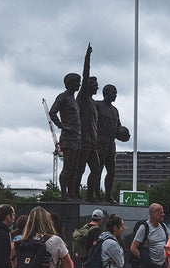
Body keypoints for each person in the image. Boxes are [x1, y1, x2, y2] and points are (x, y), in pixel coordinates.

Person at [49, 72, 81, 202]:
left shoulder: (73, 99)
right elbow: (52, 112)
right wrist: (61, 125)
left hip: (77, 137)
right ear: (70, 83)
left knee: (74, 168)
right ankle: (64, 195)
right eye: (77, 82)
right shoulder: (63, 97)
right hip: (68, 138)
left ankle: (72, 194)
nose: (79, 84)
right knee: (67, 168)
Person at [75, 43, 100, 202]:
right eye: (95, 85)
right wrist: (87, 57)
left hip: (93, 142)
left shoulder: (93, 102)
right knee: (79, 169)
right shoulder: (83, 98)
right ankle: (75, 195)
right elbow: (85, 76)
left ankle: (90, 196)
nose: (97, 87)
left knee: (96, 170)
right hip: (83, 141)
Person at [96, 84, 122, 204]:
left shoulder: (115, 110)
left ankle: (108, 196)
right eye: (113, 93)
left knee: (111, 171)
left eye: (116, 93)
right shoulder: (98, 105)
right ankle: (96, 195)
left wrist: (123, 134)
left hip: (111, 144)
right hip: (99, 142)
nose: (115, 95)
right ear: (106, 93)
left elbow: (118, 127)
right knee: (98, 170)